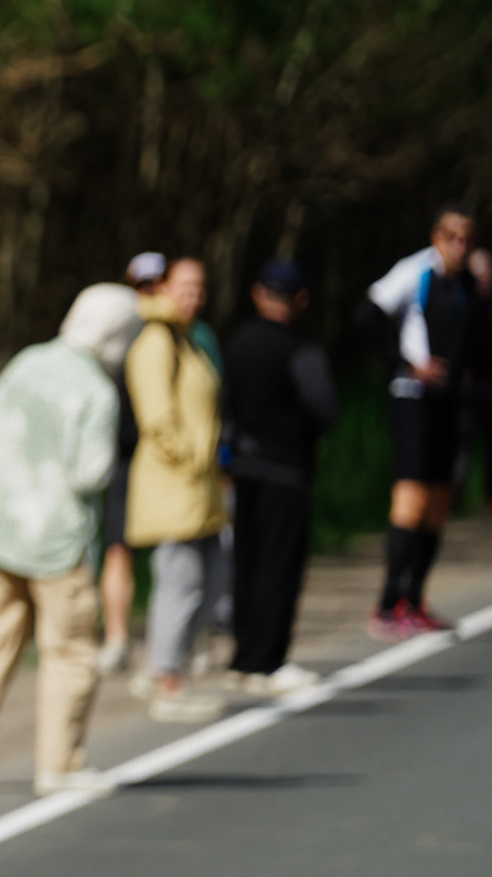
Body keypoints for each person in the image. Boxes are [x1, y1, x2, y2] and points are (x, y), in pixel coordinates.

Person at [0, 283, 142, 796]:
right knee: (69, 649)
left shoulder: (27, 361)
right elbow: (90, 473)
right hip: (56, 541)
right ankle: (60, 764)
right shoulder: (96, 389)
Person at [365, 206, 480, 639]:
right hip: (412, 398)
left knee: (439, 499)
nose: (459, 246)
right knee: (411, 495)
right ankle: (386, 602)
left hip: (449, 404)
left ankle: (415, 597)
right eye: (452, 236)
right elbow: (368, 315)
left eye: (467, 238)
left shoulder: (468, 283)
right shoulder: (415, 272)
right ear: (436, 236)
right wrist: (409, 364)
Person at [224, 260, 339, 692]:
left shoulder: (235, 342)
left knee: (247, 562)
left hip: (241, 467)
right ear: (302, 299)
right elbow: (325, 407)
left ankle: (243, 656)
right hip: (286, 468)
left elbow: (223, 402)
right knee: (280, 564)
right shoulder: (298, 348)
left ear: (258, 294)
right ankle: (268, 661)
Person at [124, 256, 228, 723]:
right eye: (184, 286)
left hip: (199, 483)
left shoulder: (188, 341)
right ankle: (167, 681)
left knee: (211, 579)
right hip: (174, 482)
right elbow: (158, 416)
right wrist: (191, 458)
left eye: (200, 287)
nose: (193, 295)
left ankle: (167, 667)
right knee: (179, 581)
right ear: (163, 287)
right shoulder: (156, 341)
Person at [97, 253, 163, 674]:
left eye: (156, 285)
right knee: (118, 550)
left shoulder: (178, 337)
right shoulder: (109, 336)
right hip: (121, 457)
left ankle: (169, 638)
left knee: (170, 551)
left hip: (160, 458)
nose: (149, 294)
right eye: (143, 286)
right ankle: (118, 637)